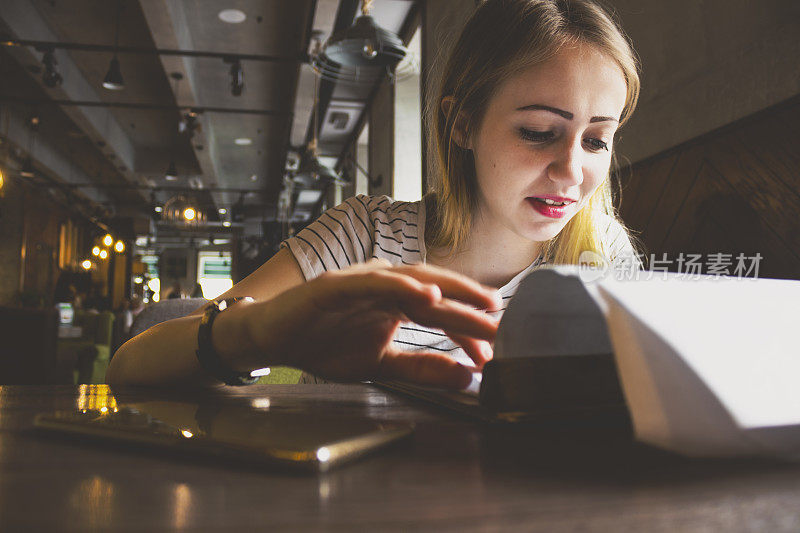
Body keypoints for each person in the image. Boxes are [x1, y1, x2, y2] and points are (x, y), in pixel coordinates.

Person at [108, 0, 642, 390]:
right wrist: (261, 334)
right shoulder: (364, 236)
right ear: (462, 124)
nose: (571, 170)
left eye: (596, 140)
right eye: (538, 131)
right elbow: (129, 367)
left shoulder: (603, 253)